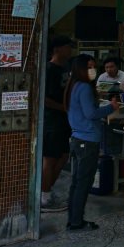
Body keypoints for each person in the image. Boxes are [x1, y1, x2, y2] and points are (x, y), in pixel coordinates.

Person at [65, 54, 122, 231]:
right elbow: (90, 113)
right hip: (87, 141)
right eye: (89, 67)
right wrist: (111, 107)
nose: (93, 70)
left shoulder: (74, 85)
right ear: (81, 69)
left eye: (93, 66)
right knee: (83, 183)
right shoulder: (84, 87)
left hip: (78, 139)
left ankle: (74, 219)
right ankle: (76, 222)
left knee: (77, 182)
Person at [41, 35, 74, 212]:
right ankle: (44, 197)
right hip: (51, 120)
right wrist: (64, 108)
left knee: (63, 156)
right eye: (67, 46)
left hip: (64, 121)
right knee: (50, 158)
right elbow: (44, 99)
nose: (70, 50)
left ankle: (46, 191)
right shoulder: (49, 70)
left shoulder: (66, 68)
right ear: (57, 49)